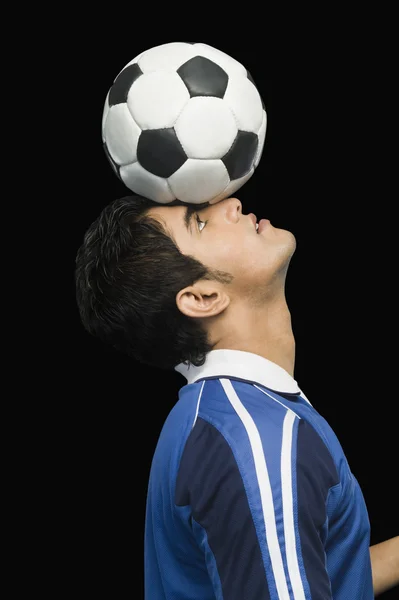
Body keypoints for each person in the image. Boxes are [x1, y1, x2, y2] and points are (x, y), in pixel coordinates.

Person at [75, 193, 398, 599]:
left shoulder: (216, 419)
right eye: (201, 223)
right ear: (202, 297)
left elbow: (321, 572)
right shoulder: (255, 441)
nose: (231, 203)